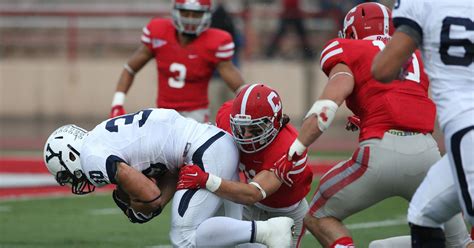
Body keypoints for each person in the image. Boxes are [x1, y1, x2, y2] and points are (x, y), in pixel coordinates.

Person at [273, 2, 472, 248]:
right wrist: (365, 113)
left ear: (353, 31)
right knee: (459, 243)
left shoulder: (349, 48)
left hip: (378, 153)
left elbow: (328, 105)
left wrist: (295, 150)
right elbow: (404, 97)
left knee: (316, 216)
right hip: (428, 155)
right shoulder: (416, 54)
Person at [43, 108, 294, 247]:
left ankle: (267, 230)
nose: (71, 180)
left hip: (203, 152)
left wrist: (138, 204)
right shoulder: (100, 136)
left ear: (68, 154)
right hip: (214, 143)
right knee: (234, 241)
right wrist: (155, 201)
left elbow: (150, 196)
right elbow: (170, 172)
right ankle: (264, 235)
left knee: (184, 238)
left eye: (65, 174)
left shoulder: (91, 158)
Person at [371, 0, 474, 246]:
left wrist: (402, 62)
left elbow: (383, 69)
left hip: (466, 125)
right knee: (423, 212)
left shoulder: (421, 3)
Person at [177, 84, 314, 248]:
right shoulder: (227, 115)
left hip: (286, 212)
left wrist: (206, 180)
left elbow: (253, 193)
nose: (246, 135)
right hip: (248, 207)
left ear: (275, 123)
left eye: (255, 129)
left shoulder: (290, 148)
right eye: (241, 127)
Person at [109, 0, 246, 123]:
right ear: (175, 11)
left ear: (206, 15)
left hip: (195, 116)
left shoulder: (215, 41)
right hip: (162, 114)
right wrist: (117, 104)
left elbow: (235, 81)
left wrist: (250, 101)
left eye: (196, 14)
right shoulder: (159, 32)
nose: (190, 19)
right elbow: (130, 69)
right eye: (185, 13)